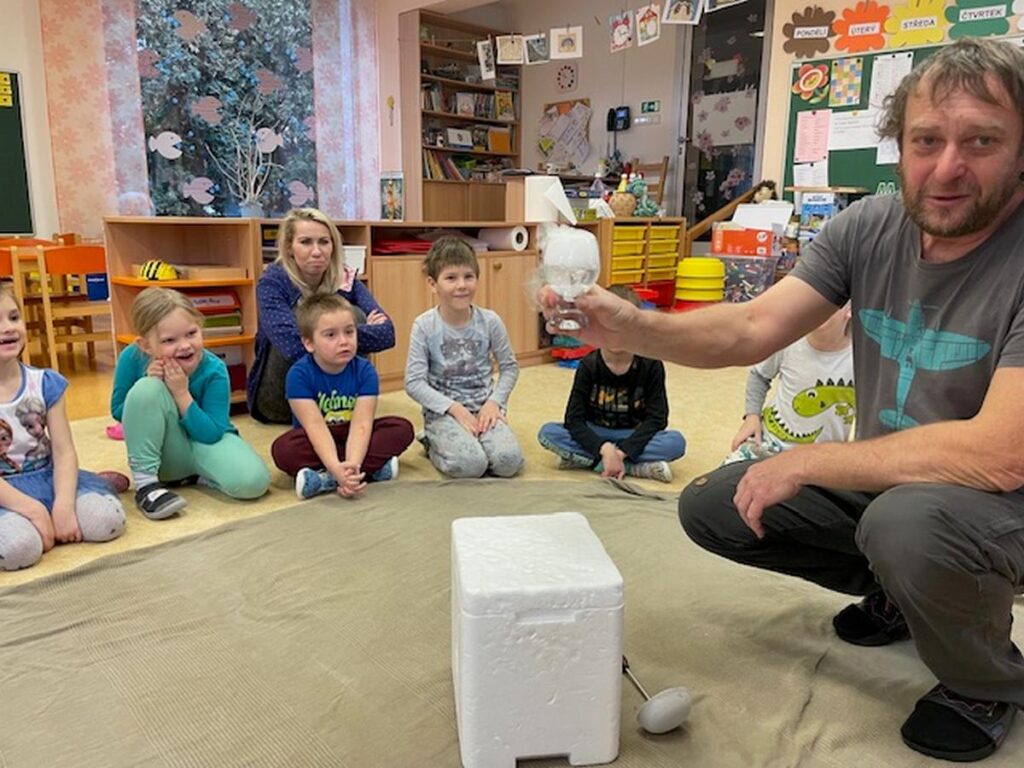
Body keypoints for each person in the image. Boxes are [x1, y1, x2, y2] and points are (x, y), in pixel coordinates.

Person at [541, 38, 1024, 762]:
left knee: (905, 524)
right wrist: (631, 326)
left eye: (981, 141)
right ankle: (905, 595)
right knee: (717, 503)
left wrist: (808, 461)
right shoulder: (868, 227)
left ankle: (983, 680)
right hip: (898, 487)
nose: (947, 166)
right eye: (927, 140)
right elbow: (751, 328)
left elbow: (1000, 453)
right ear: (900, 144)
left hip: (999, 502)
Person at [111, 288, 270, 520]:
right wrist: (150, 382)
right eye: (169, 340)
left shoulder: (214, 369)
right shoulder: (131, 357)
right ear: (146, 345)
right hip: (162, 453)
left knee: (254, 481)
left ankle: (196, 476)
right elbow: (119, 412)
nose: (185, 345)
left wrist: (182, 394)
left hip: (203, 442)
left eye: (191, 333)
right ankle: (146, 485)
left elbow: (212, 433)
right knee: (147, 389)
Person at [0, 285, 125, 570]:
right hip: (4, 493)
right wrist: (34, 511)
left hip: (48, 477)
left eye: (14, 317)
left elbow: (63, 450)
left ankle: (95, 484)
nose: (7, 328)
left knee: (107, 522)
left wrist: (64, 506)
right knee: (20, 549)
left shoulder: (45, 383)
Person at [248, 207, 395, 424]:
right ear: (289, 247)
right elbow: (292, 346)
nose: (317, 251)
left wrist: (329, 334)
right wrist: (348, 333)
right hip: (284, 397)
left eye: (324, 242)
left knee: (350, 314)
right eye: (306, 242)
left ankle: (346, 398)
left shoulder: (344, 278)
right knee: (326, 317)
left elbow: (387, 334)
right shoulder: (273, 282)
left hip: (341, 402)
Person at [270, 293, 414, 499]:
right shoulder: (298, 375)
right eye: (331, 335)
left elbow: (362, 423)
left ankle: (327, 479)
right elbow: (314, 426)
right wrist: (335, 466)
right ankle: (369, 471)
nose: (344, 341)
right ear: (309, 343)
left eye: (349, 332)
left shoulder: (365, 370)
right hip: (316, 437)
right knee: (284, 449)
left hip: (354, 433)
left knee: (401, 428)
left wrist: (352, 465)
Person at [538, 285, 686, 483]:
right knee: (548, 433)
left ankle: (593, 461)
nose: (616, 335)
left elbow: (657, 419)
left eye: (624, 327)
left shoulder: (651, 365)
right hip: (596, 432)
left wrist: (624, 451)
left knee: (675, 442)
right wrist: (604, 448)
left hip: (633, 434)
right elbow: (574, 420)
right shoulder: (589, 365)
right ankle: (632, 466)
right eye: (608, 326)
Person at [405, 237, 524, 478]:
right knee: (472, 466)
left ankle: (473, 440)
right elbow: (413, 383)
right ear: (433, 284)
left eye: (468, 276)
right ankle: (431, 441)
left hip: (485, 407)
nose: (462, 285)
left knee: (509, 463)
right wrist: (455, 409)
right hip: (444, 413)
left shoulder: (490, 321)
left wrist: (494, 402)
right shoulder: (424, 326)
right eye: (451, 278)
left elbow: (510, 368)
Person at [723, 303, 854, 465]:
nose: (819, 310)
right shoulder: (789, 341)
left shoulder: (861, 357)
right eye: (816, 302)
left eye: (831, 302)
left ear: (849, 310)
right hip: (770, 444)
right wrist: (752, 416)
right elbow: (759, 375)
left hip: (822, 461)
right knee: (722, 477)